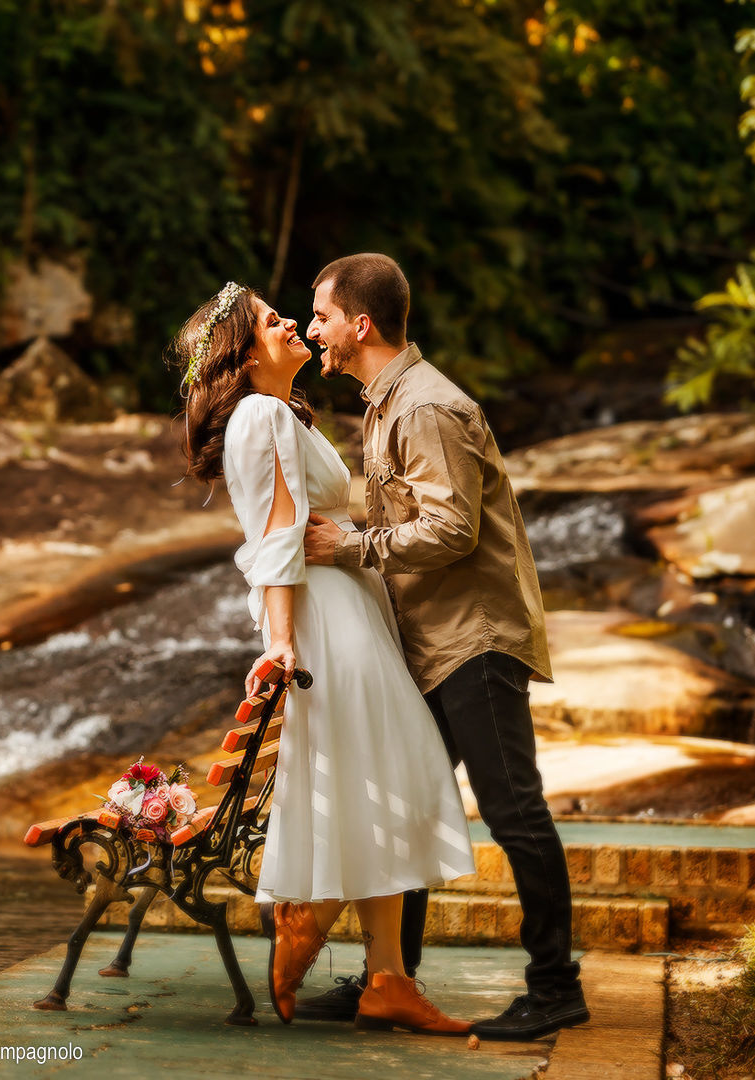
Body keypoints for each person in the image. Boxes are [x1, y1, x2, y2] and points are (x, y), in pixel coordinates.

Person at [172, 281, 475, 1036]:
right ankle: (314, 931)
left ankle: (386, 978)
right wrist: (279, 639)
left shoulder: (281, 413)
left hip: (344, 601)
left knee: (382, 770)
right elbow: (276, 534)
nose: (292, 324)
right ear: (242, 355)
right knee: (382, 768)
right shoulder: (262, 413)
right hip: (320, 614)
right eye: (274, 321)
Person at [301, 253, 589, 1040]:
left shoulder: (424, 407)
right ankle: (388, 981)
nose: (310, 328)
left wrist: (351, 546)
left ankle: (554, 988)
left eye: (320, 315)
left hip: (474, 642)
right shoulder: (385, 401)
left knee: (512, 811)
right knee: (405, 807)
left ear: (359, 324)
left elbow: (452, 530)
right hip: (430, 643)